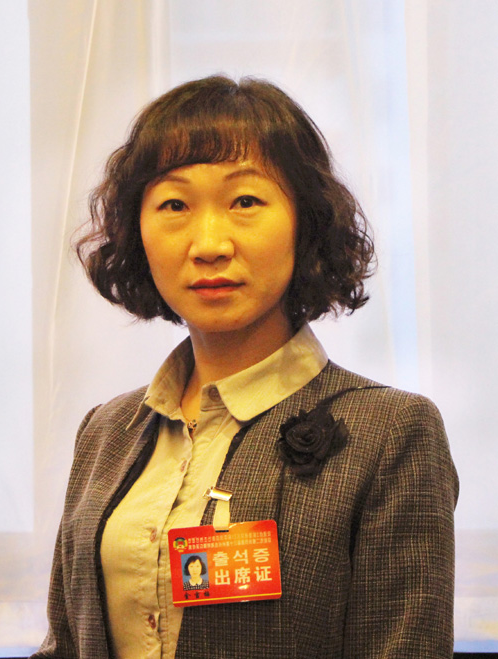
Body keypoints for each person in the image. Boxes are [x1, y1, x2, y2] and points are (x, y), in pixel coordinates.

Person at [31, 75, 458, 659]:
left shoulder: (391, 433)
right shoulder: (107, 431)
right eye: (174, 205)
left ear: (305, 221)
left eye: (245, 202)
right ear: (138, 231)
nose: (209, 244)